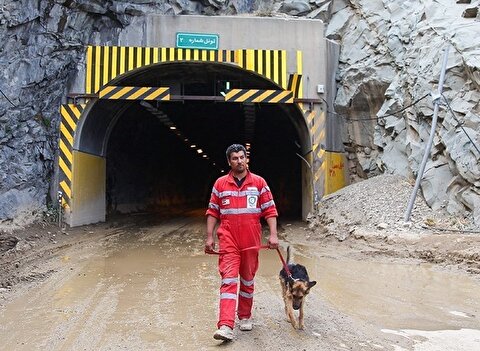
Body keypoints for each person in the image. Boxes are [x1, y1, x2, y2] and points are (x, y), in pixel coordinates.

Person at [205, 143, 279, 342]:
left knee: (247, 279)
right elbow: (213, 211)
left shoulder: (259, 183)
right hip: (228, 239)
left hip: (251, 240)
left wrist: (273, 235)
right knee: (228, 280)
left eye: (242, 157)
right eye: (235, 158)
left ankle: (245, 315)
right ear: (229, 161)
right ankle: (226, 325)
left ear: (247, 159)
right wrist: (210, 236)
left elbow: (270, 210)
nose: (239, 161)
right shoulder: (220, 184)